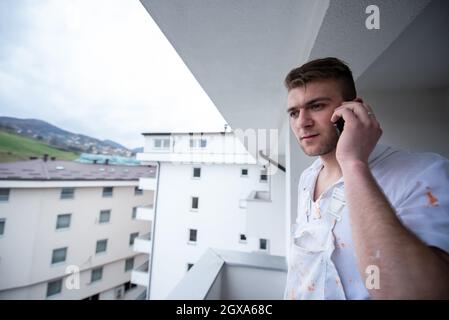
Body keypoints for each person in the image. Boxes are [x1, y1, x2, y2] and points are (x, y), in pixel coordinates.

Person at [283, 57, 449, 299]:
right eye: (293, 112)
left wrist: (353, 163)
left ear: (352, 109)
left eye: (316, 106)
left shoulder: (423, 174)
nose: (302, 122)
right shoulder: (307, 178)